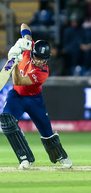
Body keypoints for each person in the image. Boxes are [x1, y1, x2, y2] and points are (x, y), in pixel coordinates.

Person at [0, 23, 72, 169]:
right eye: (38, 57)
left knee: (47, 133)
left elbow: (19, 80)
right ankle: (25, 158)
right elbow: (23, 25)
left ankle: (60, 156)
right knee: (7, 121)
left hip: (34, 100)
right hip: (16, 96)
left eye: (43, 59)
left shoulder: (43, 72)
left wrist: (14, 59)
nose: (40, 61)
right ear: (33, 52)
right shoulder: (29, 47)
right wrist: (24, 39)